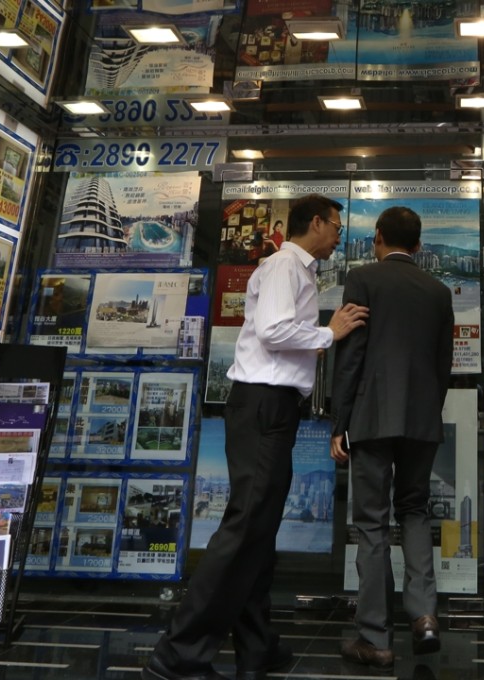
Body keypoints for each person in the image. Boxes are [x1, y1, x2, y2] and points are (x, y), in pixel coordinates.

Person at [143, 194, 368, 680]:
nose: (339, 235)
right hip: (265, 404)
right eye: (336, 226)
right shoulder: (288, 265)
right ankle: (178, 654)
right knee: (246, 528)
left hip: (267, 407)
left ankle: (257, 645)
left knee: (258, 532)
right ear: (316, 222)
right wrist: (329, 334)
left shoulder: (292, 268)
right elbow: (273, 330)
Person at [329, 206, 454, 671]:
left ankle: (374, 636)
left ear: (378, 238)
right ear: (419, 246)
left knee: (372, 523)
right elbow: (443, 366)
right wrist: (426, 412)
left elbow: (352, 356)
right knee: (415, 511)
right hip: (422, 420)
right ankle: (423, 616)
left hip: (372, 417)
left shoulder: (363, 279)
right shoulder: (439, 292)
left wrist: (339, 421)